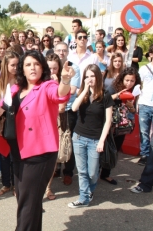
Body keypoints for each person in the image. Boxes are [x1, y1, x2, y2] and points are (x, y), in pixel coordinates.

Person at [0, 51, 73, 230]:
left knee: (28, 204)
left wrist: (65, 80)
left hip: (40, 153)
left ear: (42, 67)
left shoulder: (47, 86)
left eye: (36, 64)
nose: (32, 67)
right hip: (18, 150)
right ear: (22, 70)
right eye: (28, 64)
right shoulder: (17, 88)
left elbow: (59, 94)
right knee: (26, 201)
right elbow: (0, 107)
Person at [68, 64, 114, 208]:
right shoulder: (83, 93)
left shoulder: (105, 95)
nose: (89, 79)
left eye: (92, 76)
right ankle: (83, 198)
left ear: (98, 77)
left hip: (95, 140)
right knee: (82, 171)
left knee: (93, 173)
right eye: (87, 76)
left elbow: (108, 121)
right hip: (79, 137)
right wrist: (85, 91)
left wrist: (101, 141)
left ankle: (89, 190)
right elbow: (74, 108)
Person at [100, 67, 141, 184]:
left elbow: (133, 111)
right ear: (122, 79)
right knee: (103, 147)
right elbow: (104, 99)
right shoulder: (114, 88)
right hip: (110, 123)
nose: (129, 83)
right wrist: (118, 95)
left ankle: (105, 174)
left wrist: (130, 105)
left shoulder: (135, 91)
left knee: (115, 149)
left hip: (123, 125)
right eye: (127, 80)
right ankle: (95, 172)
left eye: (132, 81)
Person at [0, 51, 19, 197]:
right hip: (1, 122)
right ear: (5, 66)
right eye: (12, 65)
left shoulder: (22, 81)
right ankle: (6, 184)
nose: (15, 68)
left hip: (18, 121)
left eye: (17, 65)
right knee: (3, 154)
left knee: (16, 156)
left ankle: (17, 186)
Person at [53, 42, 81, 186]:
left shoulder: (74, 68)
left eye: (64, 50)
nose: (61, 53)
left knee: (68, 140)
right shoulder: (51, 67)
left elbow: (73, 90)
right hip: (52, 110)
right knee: (55, 140)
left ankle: (68, 172)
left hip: (69, 109)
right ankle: (56, 167)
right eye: (59, 50)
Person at [45, 53, 63, 199]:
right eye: (49, 68)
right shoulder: (38, 83)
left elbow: (61, 107)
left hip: (55, 124)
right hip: (40, 126)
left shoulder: (62, 84)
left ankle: (48, 187)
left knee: (51, 159)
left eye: (54, 69)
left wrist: (56, 86)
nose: (51, 72)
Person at [137, 49, 153, 165]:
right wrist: (137, 102)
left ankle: (152, 155)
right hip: (145, 103)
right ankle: (144, 154)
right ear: (151, 54)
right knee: (144, 132)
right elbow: (138, 86)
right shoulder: (144, 69)